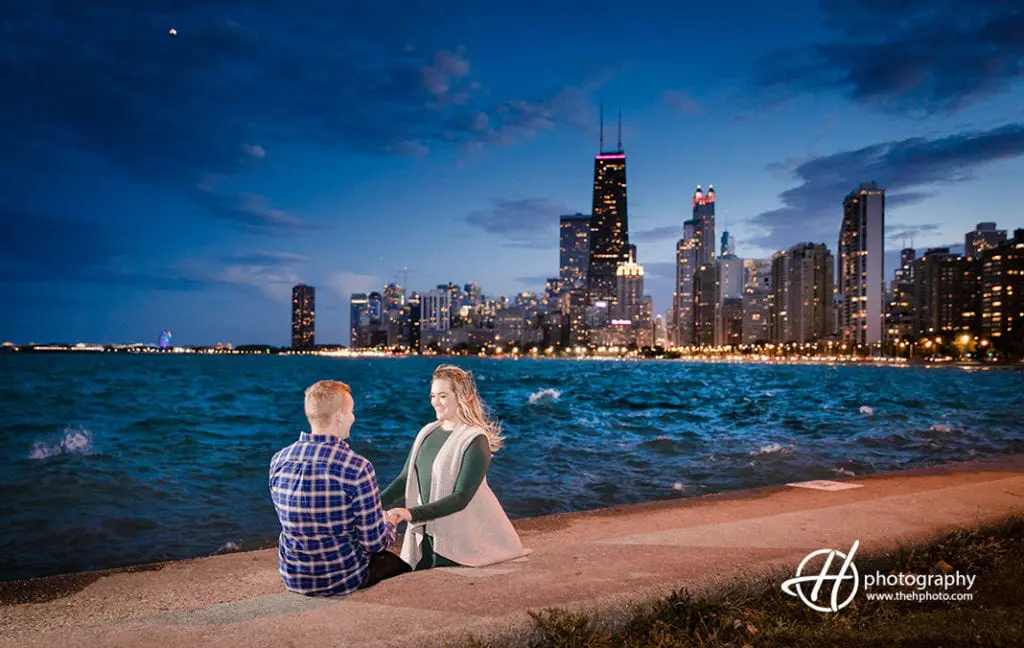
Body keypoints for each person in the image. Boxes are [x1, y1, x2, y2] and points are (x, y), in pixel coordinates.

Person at [381, 364, 530, 570]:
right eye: (433, 396)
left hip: (459, 542)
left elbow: (461, 497)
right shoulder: (426, 432)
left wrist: (411, 514)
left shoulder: (475, 439)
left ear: (464, 397)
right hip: (425, 536)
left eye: (443, 396)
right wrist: (372, 505)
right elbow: (406, 479)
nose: (435, 402)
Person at [269, 380, 410, 596]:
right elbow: (374, 543)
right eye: (351, 411)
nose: (354, 418)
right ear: (340, 415)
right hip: (342, 578)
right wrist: (389, 522)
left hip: (294, 576)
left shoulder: (279, 460)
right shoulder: (357, 467)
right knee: (402, 568)